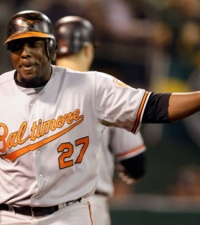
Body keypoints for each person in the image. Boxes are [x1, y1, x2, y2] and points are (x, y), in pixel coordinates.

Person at [0, 10, 200, 225]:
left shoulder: (91, 85)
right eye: (17, 46)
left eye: (34, 43)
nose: (25, 53)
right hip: (10, 217)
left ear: (51, 47)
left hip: (70, 215)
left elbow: (155, 107)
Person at [54, 16, 147, 225]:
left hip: (33, 211)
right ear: (88, 49)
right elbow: (136, 164)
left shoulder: (30, 92)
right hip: (87, 207)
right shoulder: (107, 90)